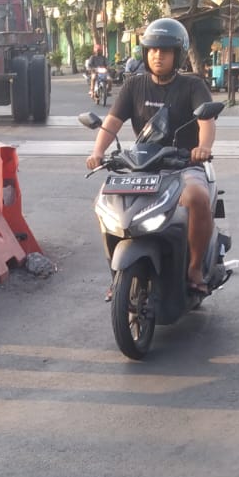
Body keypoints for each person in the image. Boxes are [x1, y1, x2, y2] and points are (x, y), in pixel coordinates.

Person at [86, 17, 216, 295]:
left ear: (178, 55)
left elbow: (206, 122)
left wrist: (203, 147)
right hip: (143, 165)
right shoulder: (134, 85)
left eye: (165, 51)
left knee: (197, 197)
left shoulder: (193, 86)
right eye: (153, 50)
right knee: (104, 202)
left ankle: (194, 268)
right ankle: (117, 273)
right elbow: (112, 122)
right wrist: (98, 152)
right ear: (145, 53)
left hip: (183, 165)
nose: (158, 56)